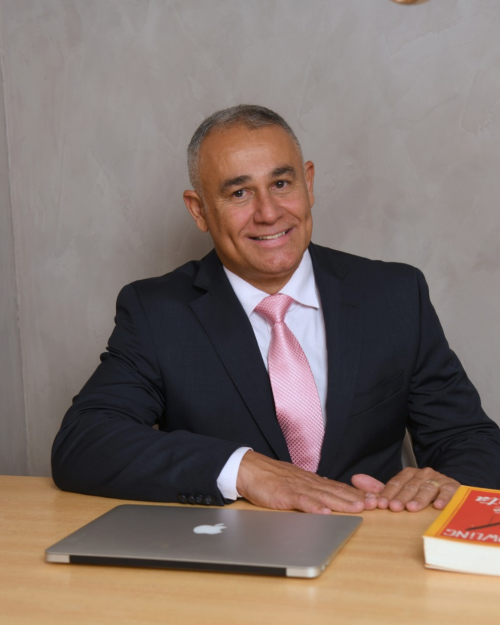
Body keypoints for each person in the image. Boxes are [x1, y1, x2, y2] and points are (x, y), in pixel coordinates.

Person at [52, 105, 500, 515]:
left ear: (309, 183)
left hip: (375, 546)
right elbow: (84, 441)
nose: (268, 213)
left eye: (281, 184)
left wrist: (442, 484)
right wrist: (245, 469)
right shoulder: (157, 312)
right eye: (239, 193)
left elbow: (468, 437)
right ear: (199, 210)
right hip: (235, 558)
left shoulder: (395, 294)